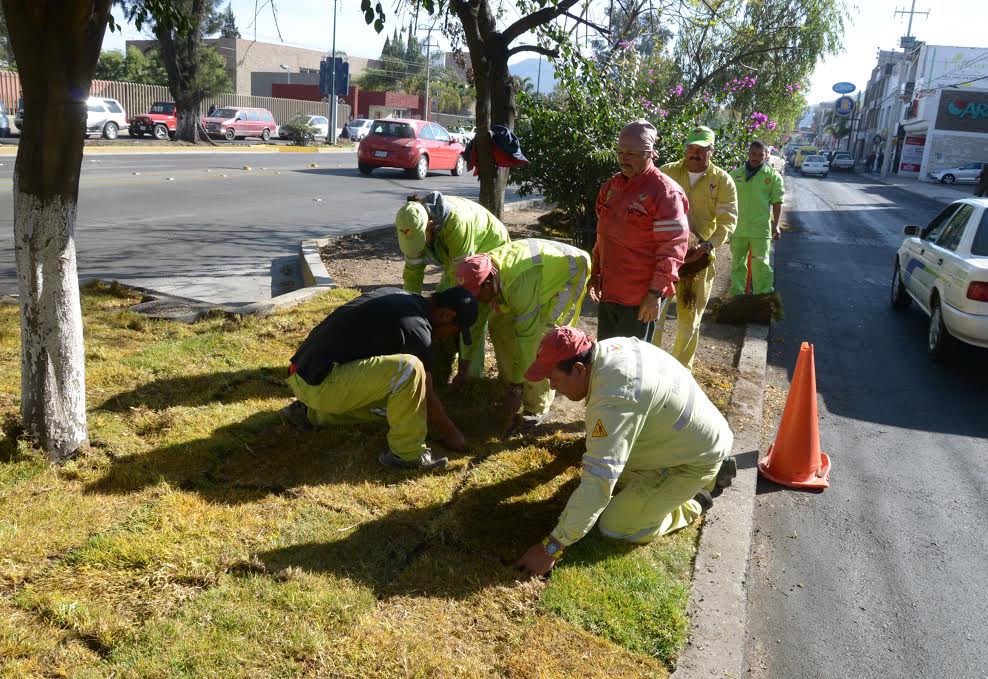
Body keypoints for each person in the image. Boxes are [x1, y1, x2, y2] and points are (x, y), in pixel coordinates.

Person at [515, 327, 734, 577]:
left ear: (578, 369)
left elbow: (598, 484)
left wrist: (550, 549)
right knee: (603, 473)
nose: (553, 387)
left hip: (691, 461)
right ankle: (712, 473)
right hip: (685, 437)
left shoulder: (616, 399)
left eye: (554, 379)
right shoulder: (609, 350)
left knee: (615, 525)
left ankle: (696, 500)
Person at [281, 286, 479, 471]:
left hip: (301, 374)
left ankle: (310, 414)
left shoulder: (399, 297)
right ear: (446, 315)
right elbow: (427, 396)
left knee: (401, 405)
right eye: (455, 331)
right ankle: (408, 454)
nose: (447, 337)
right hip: (321, 385)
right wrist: (453, 435)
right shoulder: (416, 329)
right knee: (410, 370)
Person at [456, 239, 591, 428]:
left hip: (570, 272)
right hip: (536, 276)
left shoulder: (518, 284)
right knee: (498, 323)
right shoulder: (482, 274)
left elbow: (526, 338)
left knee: (542, 338)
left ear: (488, 283)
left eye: (477, 294)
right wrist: (465, 368)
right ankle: (510, 384)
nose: (475, 299)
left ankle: (537, 406)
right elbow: (476, 325)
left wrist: (518, 385)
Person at [591, 119, 690, 342]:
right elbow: (603, 235)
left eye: (632, 154)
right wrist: (595, 272)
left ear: (649, 154)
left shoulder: (665, 192)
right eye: (620, 152)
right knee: (607, 354)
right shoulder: (612, 186)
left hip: (639, 297)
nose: (624, 159)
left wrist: (654, 294)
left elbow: (673, 249)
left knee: (631, 363)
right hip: (610, 290)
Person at [395, 192, 511, 383]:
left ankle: (472, 376)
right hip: (456, 256)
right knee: (440, 310)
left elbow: (460, 285)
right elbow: (412, 275)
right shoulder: (407, 222)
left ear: (430, 226)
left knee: (468, 311)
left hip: (487, 249)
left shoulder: (457, 224)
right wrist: (411, 312)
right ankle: (446, 361)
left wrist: (433, 310)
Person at [658, 126, 738, 369]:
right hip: (666, 254)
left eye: (701, 149)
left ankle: (681, 371)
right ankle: (651, 366)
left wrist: (708, 245)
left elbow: (728, 220)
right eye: (691, 148)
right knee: (655, 313)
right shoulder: (667, 172)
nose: (695, 153)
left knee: (689, 319)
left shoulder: (722, 180)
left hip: (699, 258)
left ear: (711, 151)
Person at [727, 140, 785, 296]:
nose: (756, 157)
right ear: (748, 154)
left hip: (760, 229)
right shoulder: (735, 175)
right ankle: (737, 296)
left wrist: (776, 225)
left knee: (761, 263)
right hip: (738, 228)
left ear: (766, 156)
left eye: (761, 155)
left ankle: (763, 297)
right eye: (753, 153)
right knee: (737, 264)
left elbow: (777, 202)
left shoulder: (773, 177)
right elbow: (727, 201)